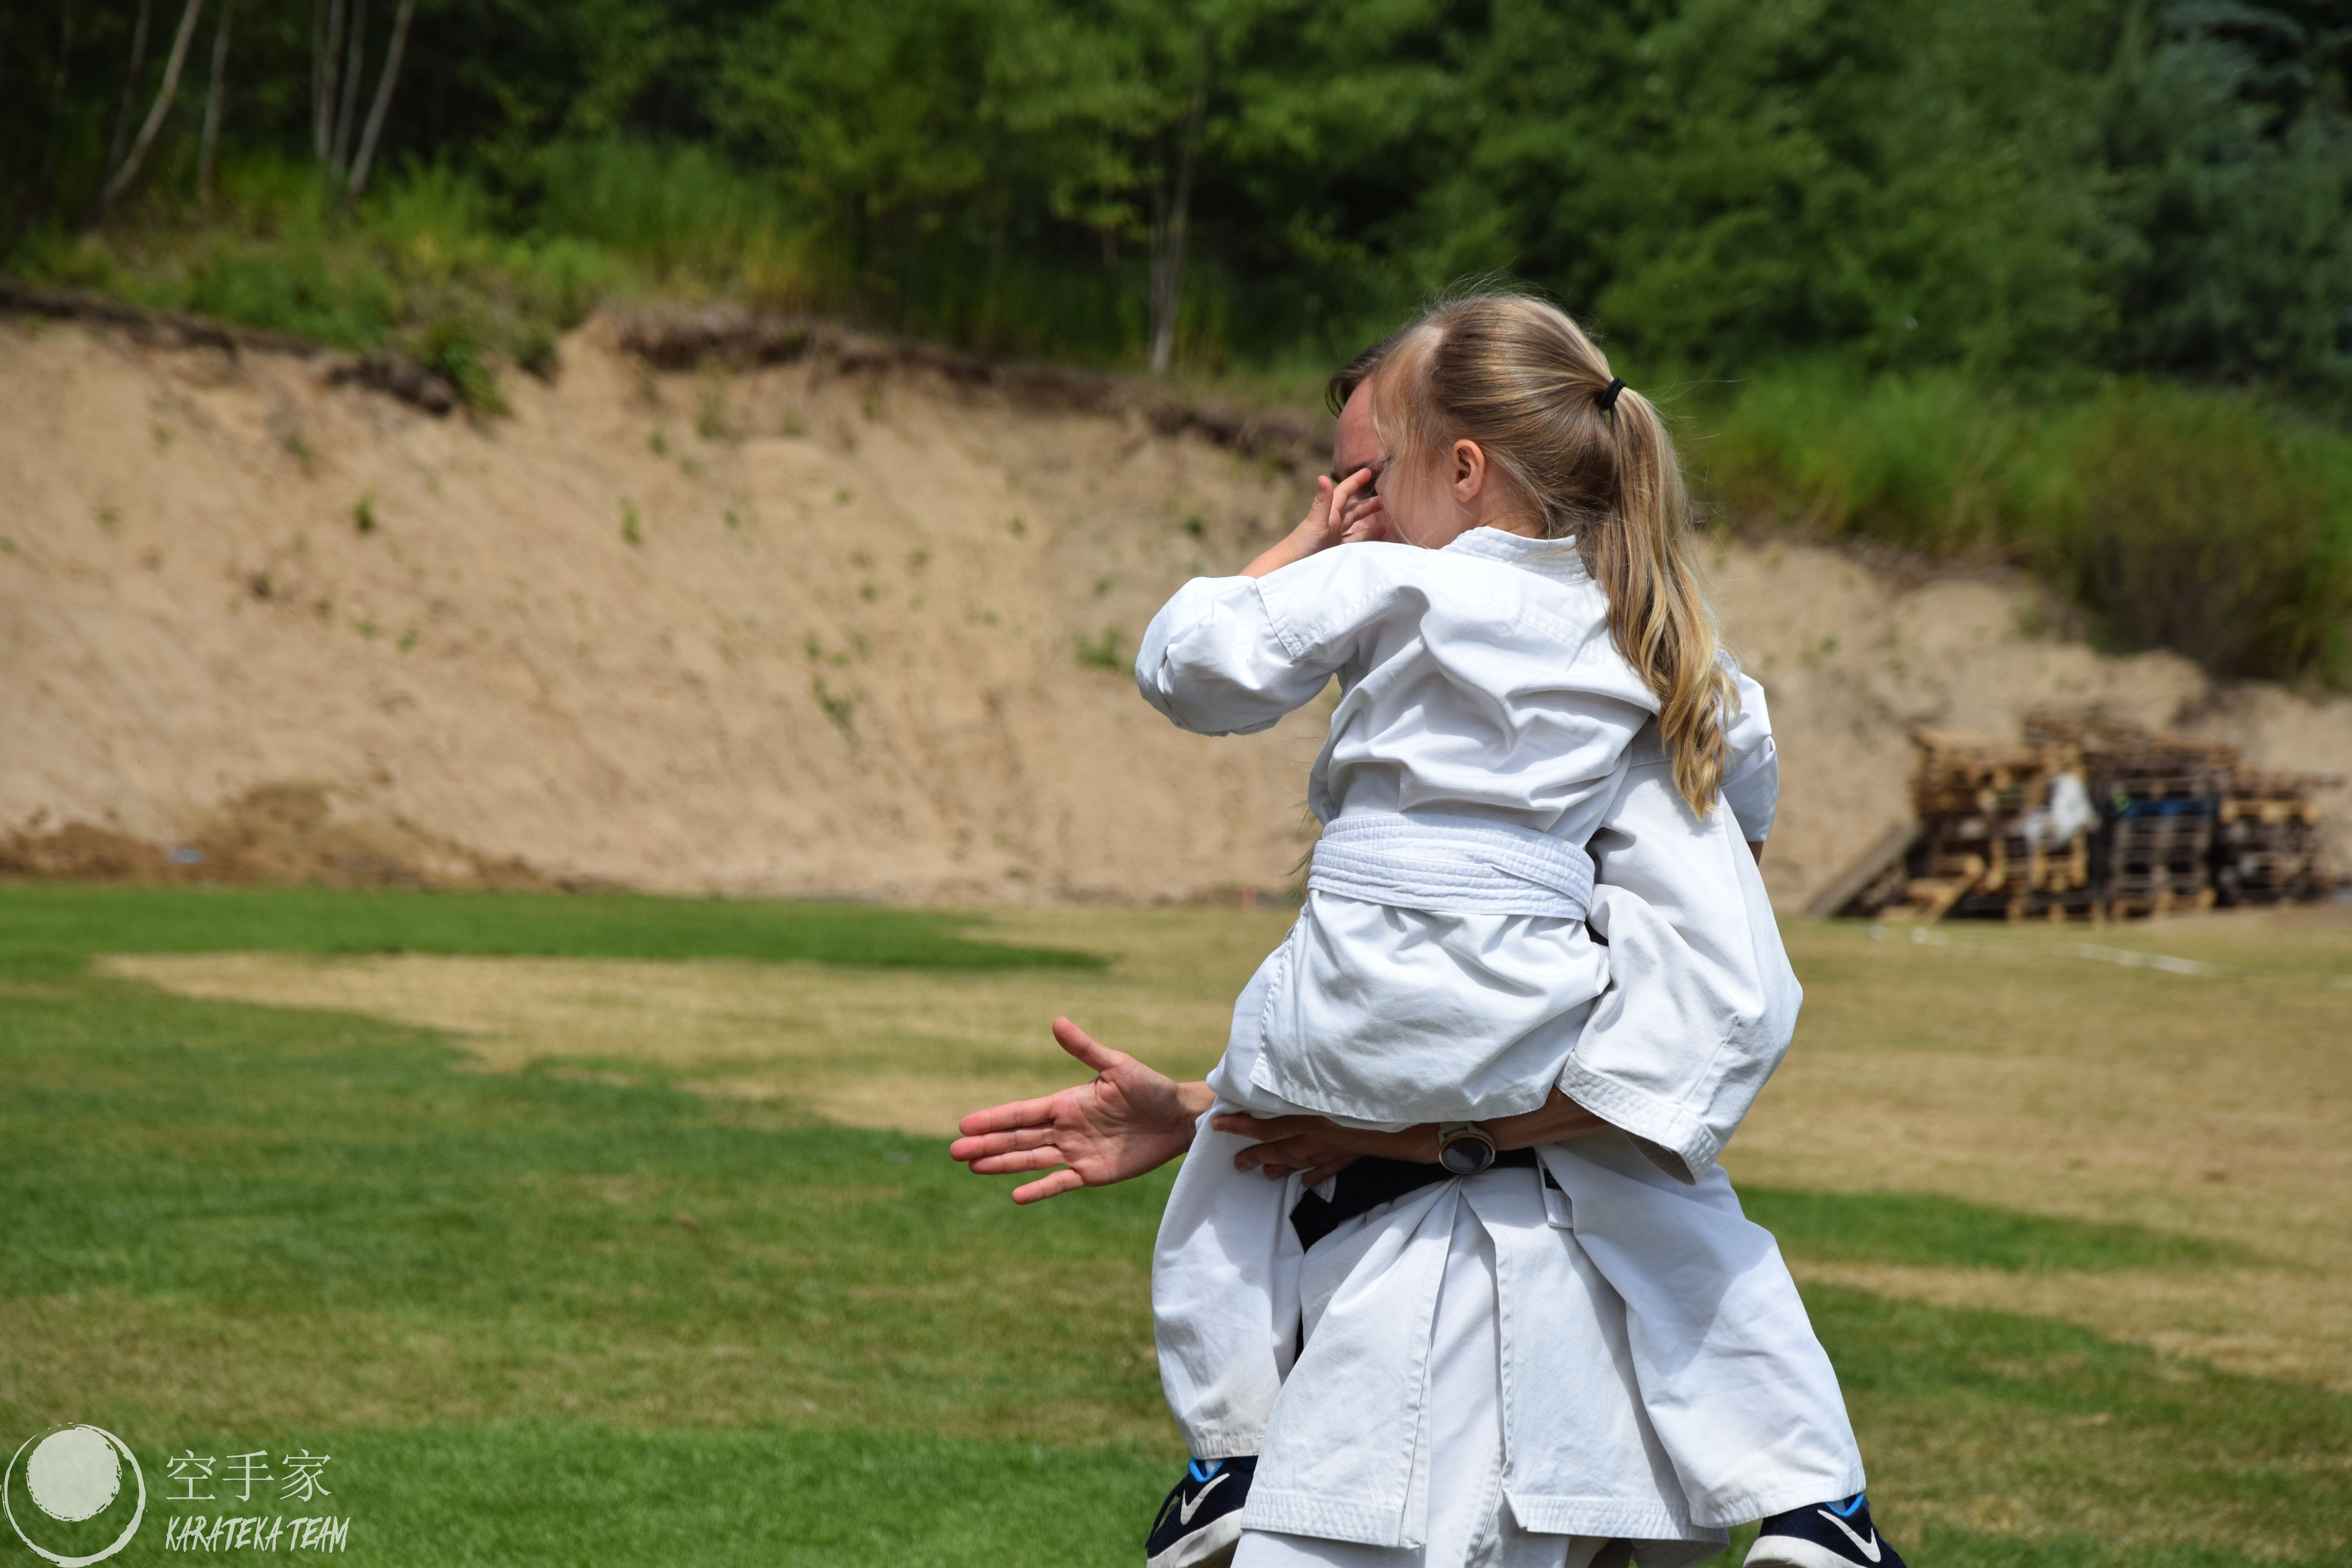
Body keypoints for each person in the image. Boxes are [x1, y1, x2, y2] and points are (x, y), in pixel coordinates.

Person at [955, 293, 1899, 1568]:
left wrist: (1423, 1131)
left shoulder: (1417, 609)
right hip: (1441, 1215)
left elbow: (1189, 658)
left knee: (1263, 1176)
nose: (1352, 507)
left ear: (1461, 471)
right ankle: (1811, 1503)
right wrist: (1203, 1103)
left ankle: (1224, 1458)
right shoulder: (1656, 678)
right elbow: (1728, 834)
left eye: (1367, 477)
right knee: (1683, 1230)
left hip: (1474, 1305)